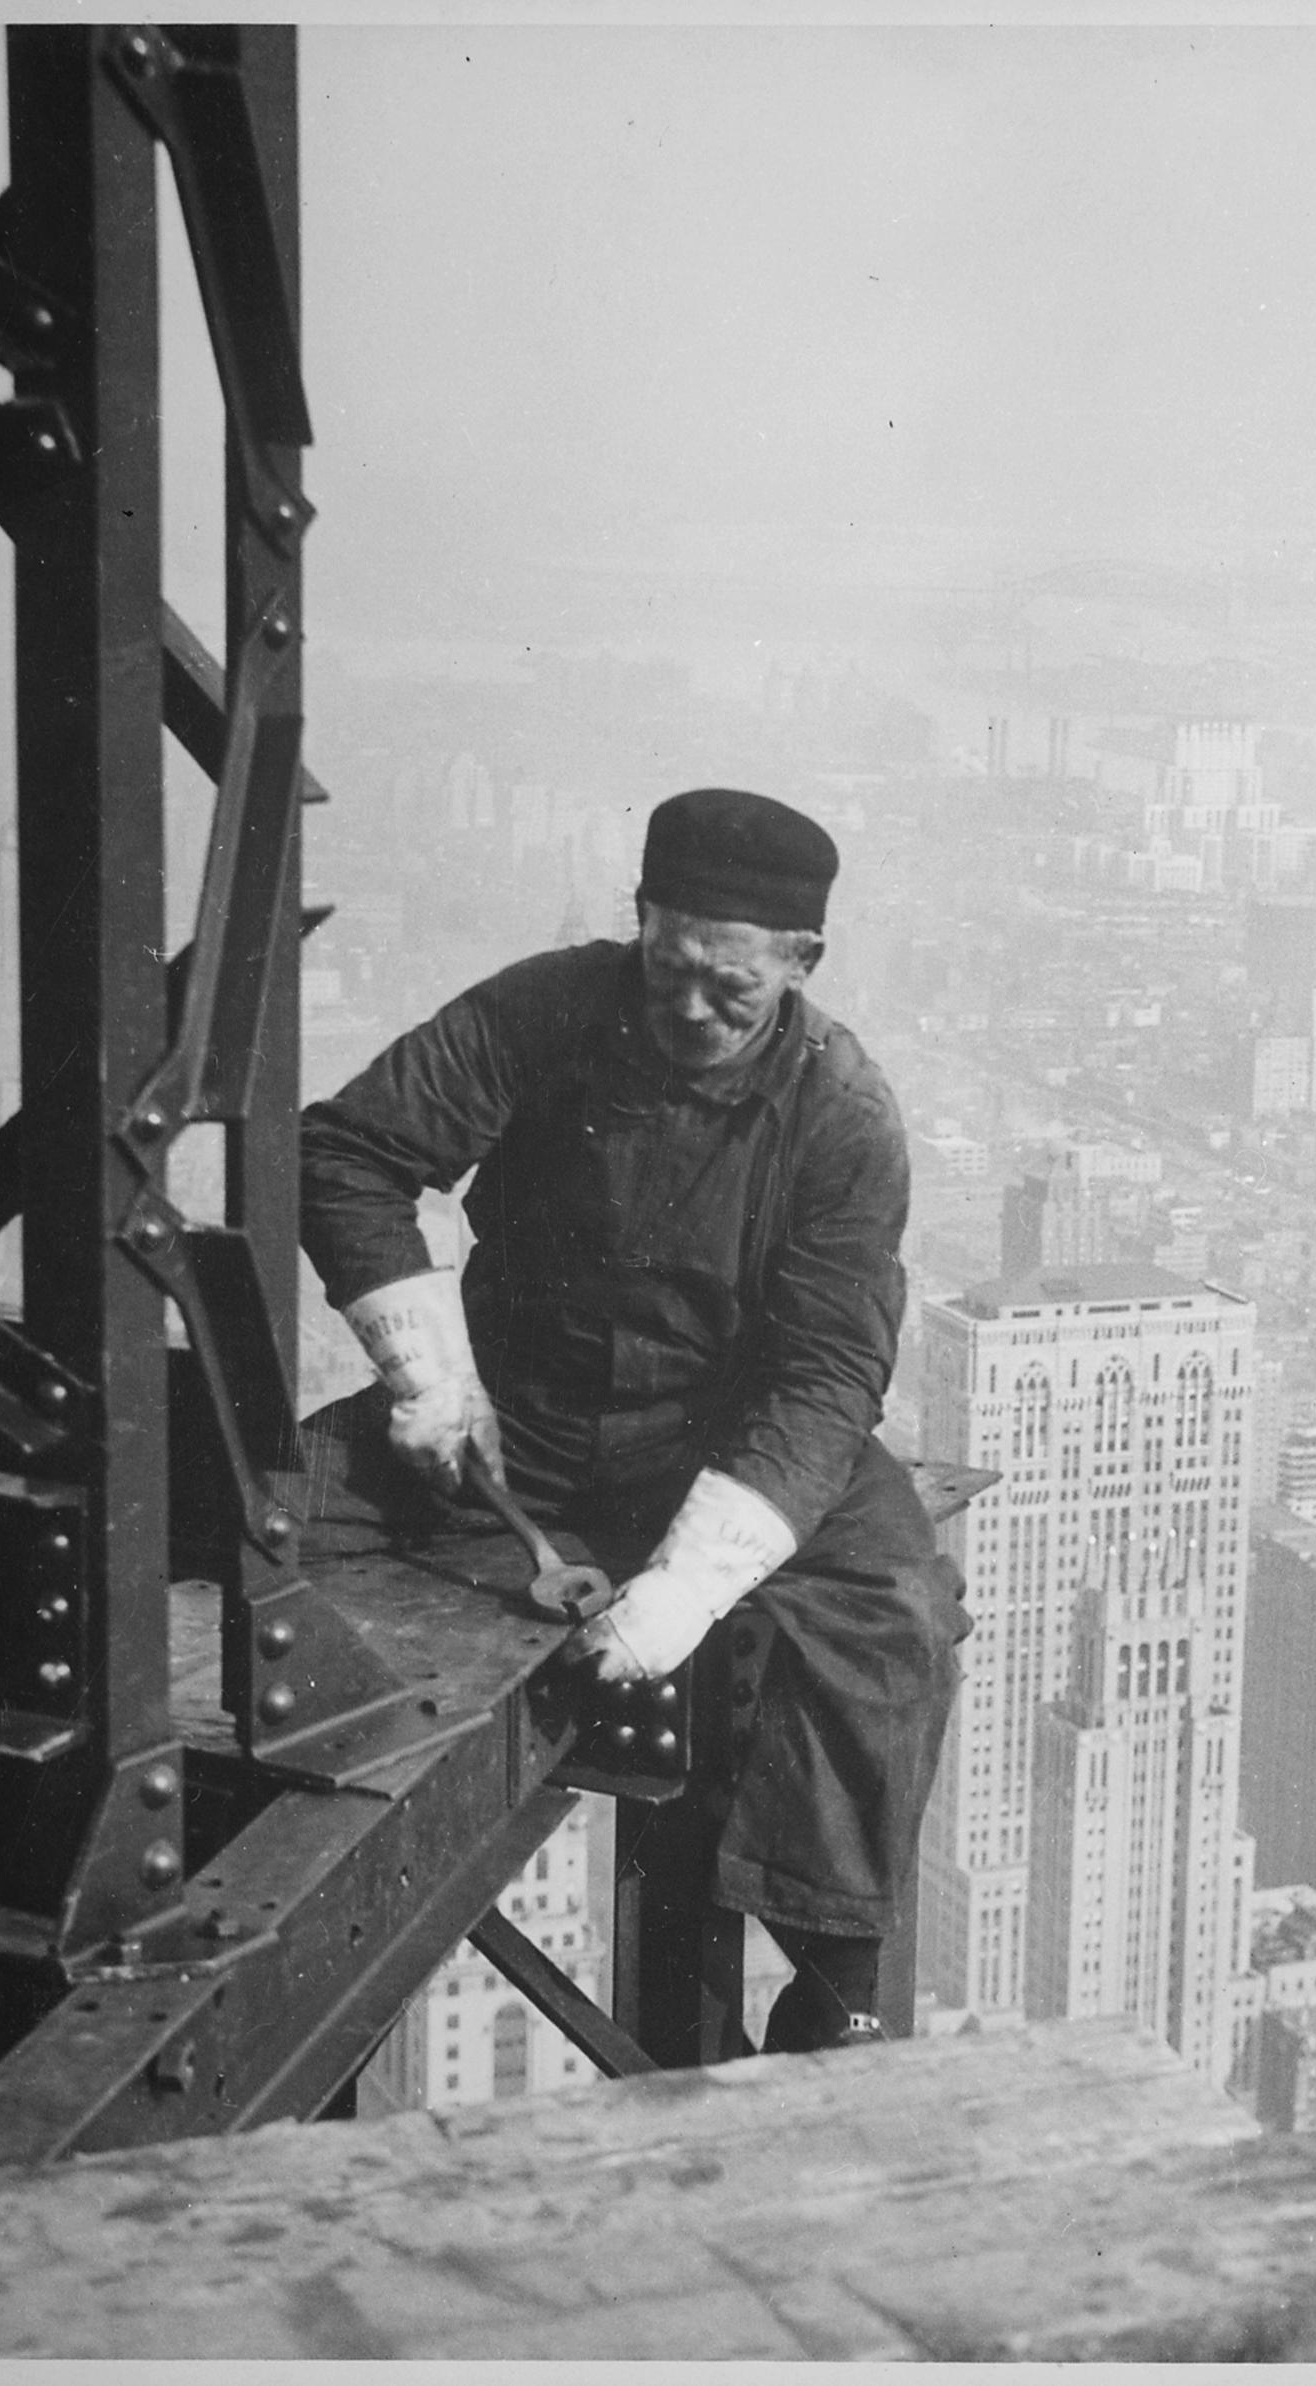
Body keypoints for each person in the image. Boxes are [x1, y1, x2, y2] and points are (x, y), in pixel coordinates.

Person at [297, 786, 963, 2055]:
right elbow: (350, 1153)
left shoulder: (842, 1112)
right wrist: (430, 1375)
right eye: (669, 969)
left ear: (801, 966)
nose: (691, 1010)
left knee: (892, 1607)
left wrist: (686, 1590)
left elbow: (827, 1373)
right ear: (639, 922)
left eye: (731, 990)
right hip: (520, 1416)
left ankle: (838, 1973)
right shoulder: (544, 1008)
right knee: (272, 1509)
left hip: (725, 1440)